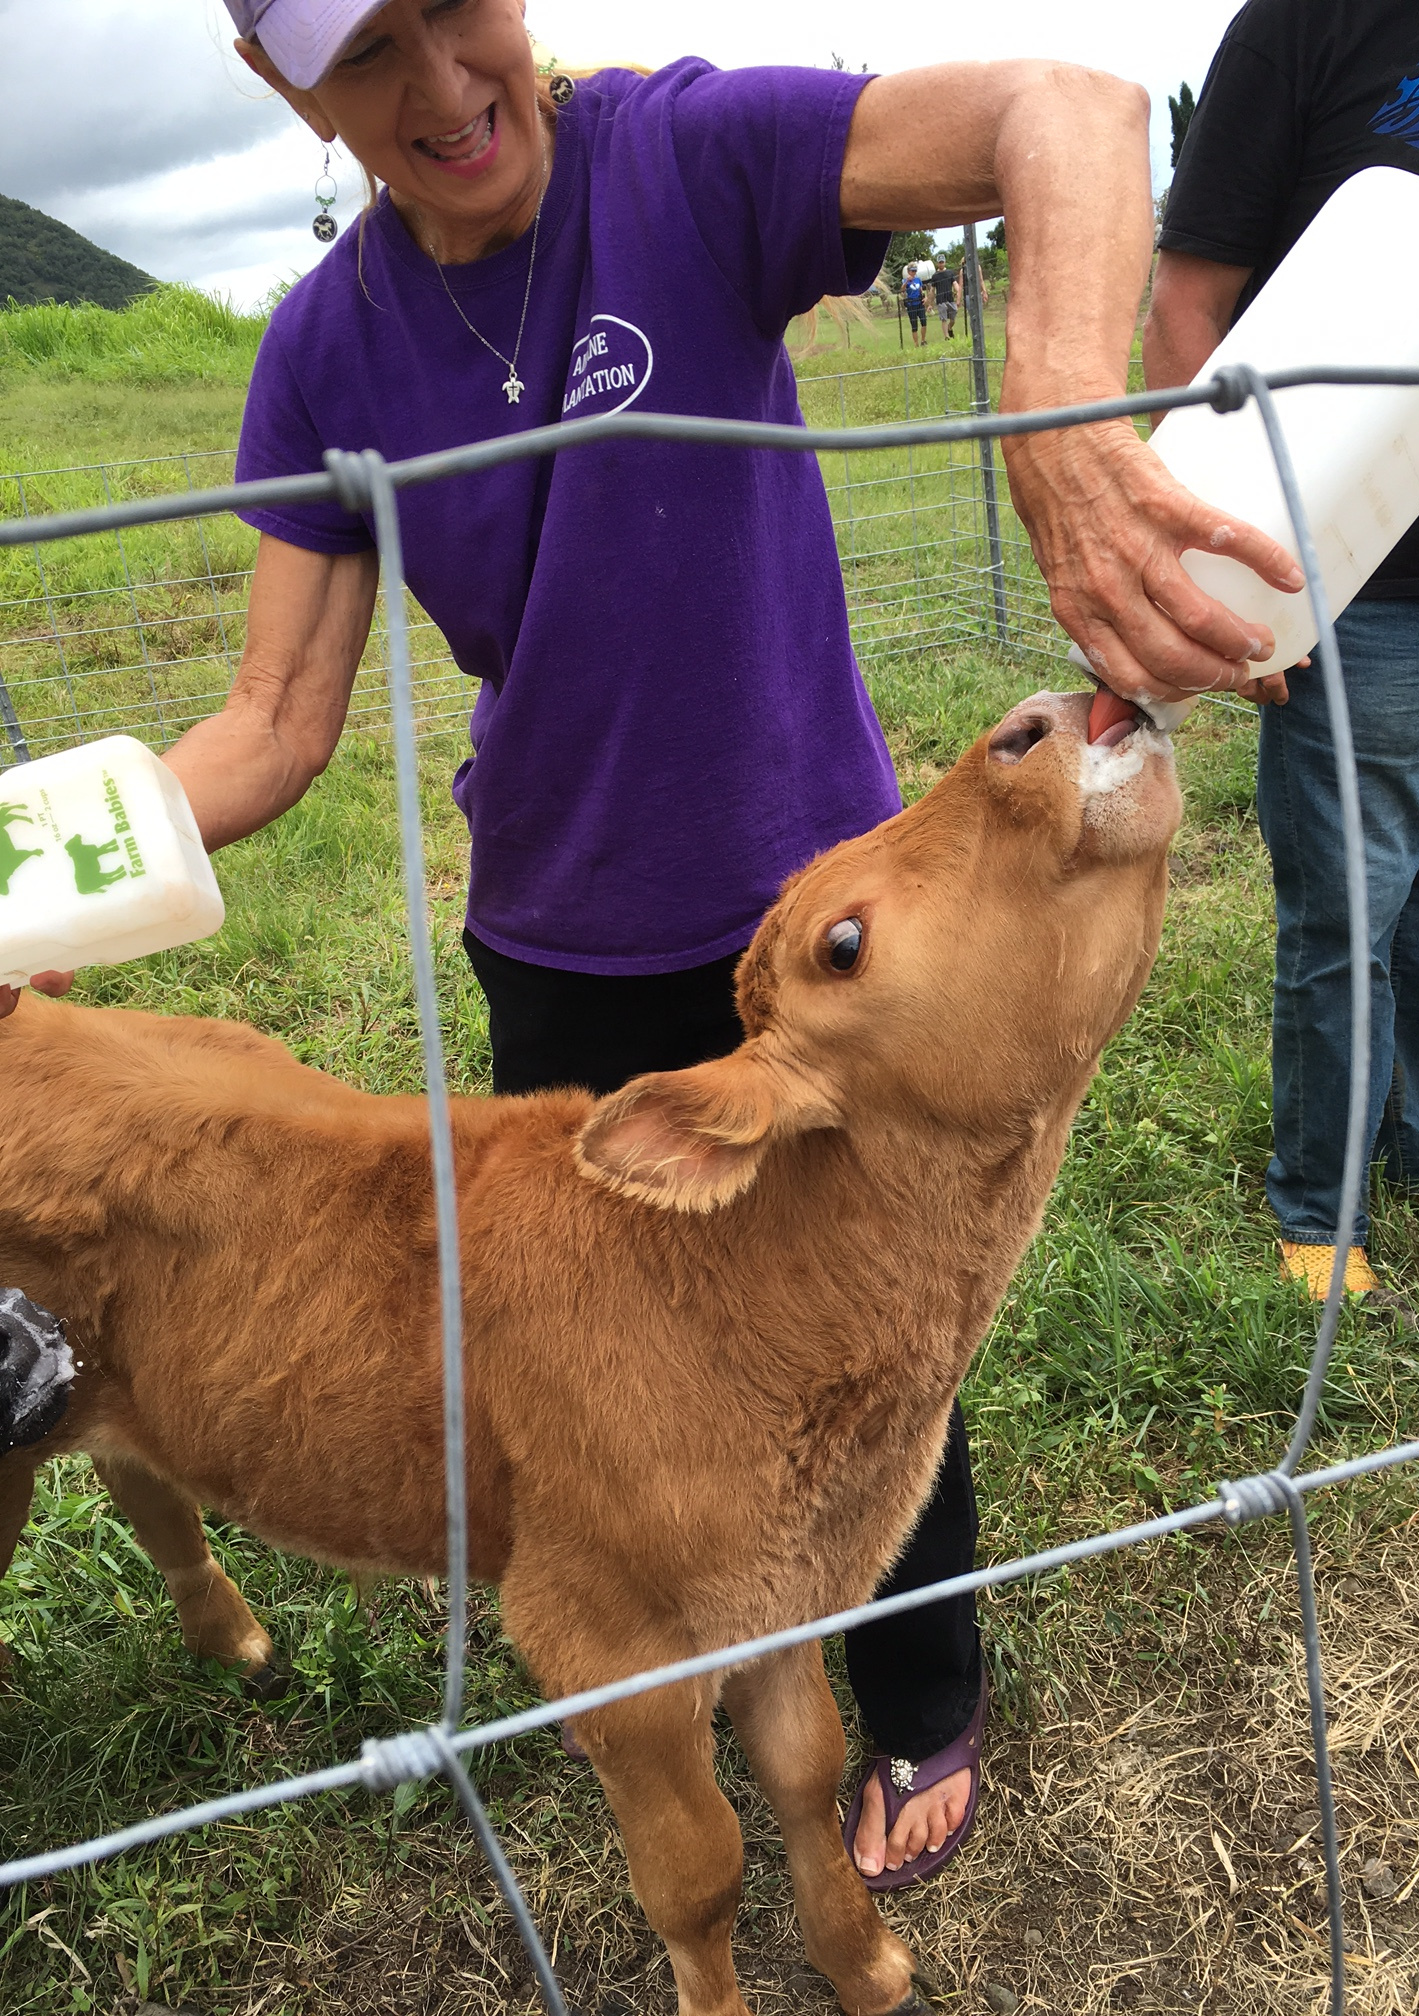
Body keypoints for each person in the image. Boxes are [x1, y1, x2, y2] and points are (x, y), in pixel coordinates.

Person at [0, 0, 1301, 1882]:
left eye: (460, 10)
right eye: (366, 54)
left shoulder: (683, 159)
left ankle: (920, 1688)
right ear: (284, 83)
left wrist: (1060, 410)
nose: (445, 85)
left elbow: (1071, 105)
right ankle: (638, 1655)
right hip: (562, 940)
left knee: (871, 1339)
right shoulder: (319, 352)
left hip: (841, 916)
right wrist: (23, 883)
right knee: (606, 1398)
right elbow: (273, 723)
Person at [1145, 0, 1419, 1300]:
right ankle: (1320, 1204)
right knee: (1347, 911)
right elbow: (1191, 303)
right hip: (1354, 572)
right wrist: (1224, 575)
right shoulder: (1301, 25)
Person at [903, 260, 929, 345]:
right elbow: (902, 289)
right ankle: (916, 344)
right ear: (908, 271)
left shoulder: (918, 280)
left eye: (915, 271)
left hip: (919, 303)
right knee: (914, 325)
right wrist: (907, 281)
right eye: (912, 271)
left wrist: (925, 298)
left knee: (924, 322)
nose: (914, 272)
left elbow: (921, 291)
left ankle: (923, 340)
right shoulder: (905, 280)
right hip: (911, 305)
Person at [934, 261, 960, 337]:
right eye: (939, 262)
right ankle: (946, 336)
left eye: (942, 262)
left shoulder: (950, 273)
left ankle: (949, 328)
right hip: (940, 299)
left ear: (944, 262)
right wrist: (929, 302)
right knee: (944, 318)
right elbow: (932, 289)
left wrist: (958, 291)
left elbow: (955, 283)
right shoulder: (935, 276)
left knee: (953, 315)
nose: (941, 264)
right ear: (937, 263)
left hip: (949, 298)